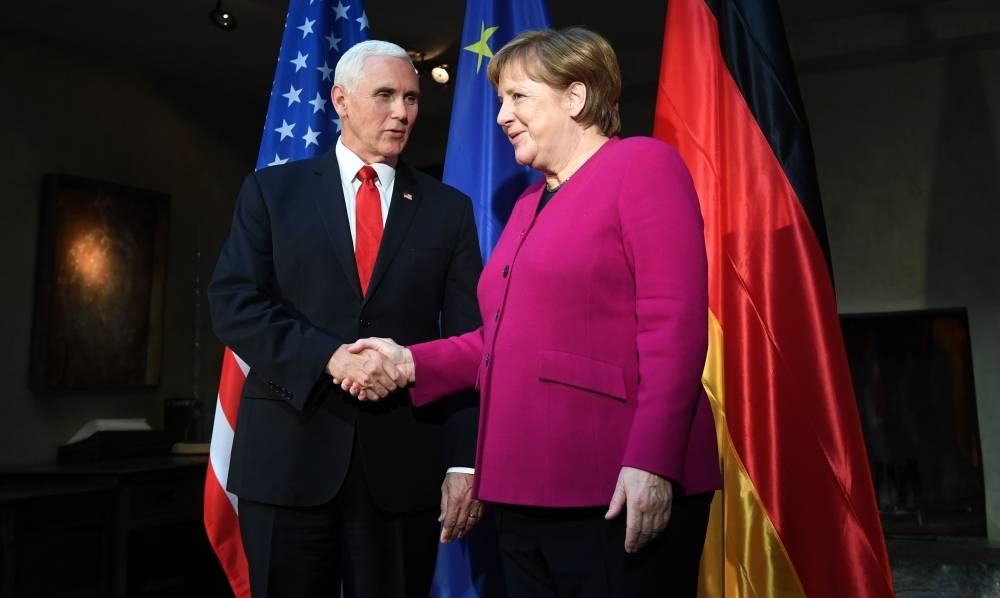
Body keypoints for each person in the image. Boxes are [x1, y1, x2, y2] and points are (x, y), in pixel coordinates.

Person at [344, 28, 721, 597]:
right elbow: (494, 339)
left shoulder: (643, 166)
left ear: (575, 98)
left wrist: (653, 462)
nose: (501, 116)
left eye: (518, 97)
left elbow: (676, 327)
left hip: (613, 481)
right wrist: (407, 361)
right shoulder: (527, 202)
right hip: (521, 489)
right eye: (500, 100)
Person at [207, 40, 484, 598]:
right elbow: (234, 303)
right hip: (288, 460)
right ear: (341, 99)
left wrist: (463, 464)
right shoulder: (272, 192)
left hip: (402, 468)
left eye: (411, 97)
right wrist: (328, 356)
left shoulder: (447, 210)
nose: (402, 112)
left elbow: (468, 341)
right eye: (385, 95)